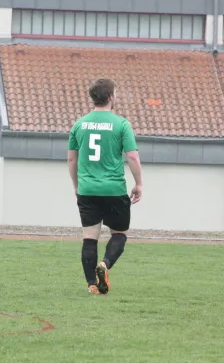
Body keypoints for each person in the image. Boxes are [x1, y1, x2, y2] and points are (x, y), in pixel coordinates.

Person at [67, 78, 143, 295]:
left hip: (87, 189)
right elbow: (132, 156)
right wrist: (138, 184)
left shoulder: (79, 124)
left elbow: (72, 160)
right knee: (119, 234)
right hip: (114, 190)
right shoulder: (121, 124)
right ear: (110, 97)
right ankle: (105, 264)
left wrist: (77, 185)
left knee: (89, 237)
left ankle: (92, 284)